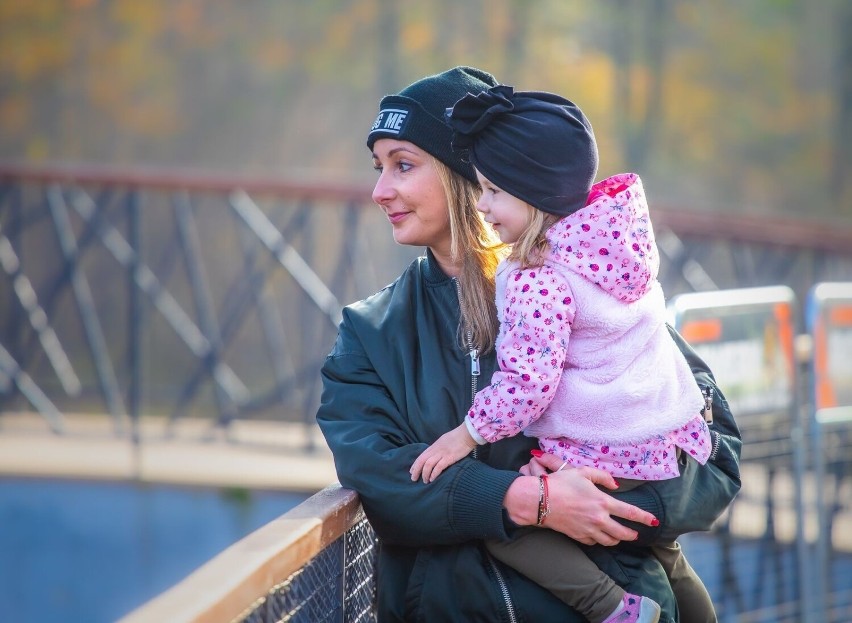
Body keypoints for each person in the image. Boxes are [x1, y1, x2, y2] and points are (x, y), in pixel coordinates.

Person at [316, 66, 742, 622]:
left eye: (403, 165)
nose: (379, 191)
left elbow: (715, 455)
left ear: (470, 175)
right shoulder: (369, 334)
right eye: (379, 168)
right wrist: (521, 502)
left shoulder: (585, 292)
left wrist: (607, 502)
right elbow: (379, 478)